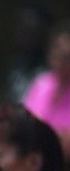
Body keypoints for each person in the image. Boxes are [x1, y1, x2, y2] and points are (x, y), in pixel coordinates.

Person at [23, 21, 70, 160]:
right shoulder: (41, 83)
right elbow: (26, 122)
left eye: (66, 56)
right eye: (56, 50)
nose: (60, 60)